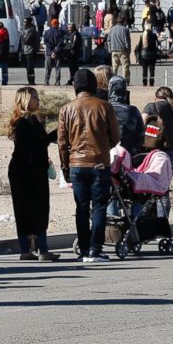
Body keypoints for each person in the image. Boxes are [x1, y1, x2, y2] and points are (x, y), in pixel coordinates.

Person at [57, 69, 119, 263]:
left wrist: (65, 166)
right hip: (99, 162)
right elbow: (116, 138)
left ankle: (84, 250)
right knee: (99, 207)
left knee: (81, 208)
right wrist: (102, 147)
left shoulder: (66, 109)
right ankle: (95, 249)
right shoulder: (104, 107)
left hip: (76, 163)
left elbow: (61, 142)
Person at [7, 87, 59, 261]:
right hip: (28, 170)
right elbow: (34, 145)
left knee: (26, 209)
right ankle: (40, 249)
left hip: (27, 168)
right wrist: (55, 134)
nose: (38, 100)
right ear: (25, 100)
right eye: (34, 97)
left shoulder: (28, 119)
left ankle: (29, 249)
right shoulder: (25, 120)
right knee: (37, 208)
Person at [142, 87, 173, 177]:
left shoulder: (150, 107)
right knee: (164, 187)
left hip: (152, 155)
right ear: (172, 98)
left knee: (150, 187)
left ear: (156, 97)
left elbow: (139, 128)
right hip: (172, 157)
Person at [108, 76, 144, 156]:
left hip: (106, 157)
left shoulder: (102, 108)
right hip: (128, 156)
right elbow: (141, 137)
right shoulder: (133, 110)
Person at [107, 16, 131, 83]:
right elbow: (127, 41)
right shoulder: (125, 29)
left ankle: (113, 80)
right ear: (123, 22)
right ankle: (125, 80)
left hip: (114, 50)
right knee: (125, 66)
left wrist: (110, 49)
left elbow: (108, 40)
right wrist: (128, 50)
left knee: (114, 66)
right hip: (123, 50)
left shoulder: (112, 29)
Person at [43, 19, 64, 86]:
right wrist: (55, 51)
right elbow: (61, 43)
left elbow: (46, 42)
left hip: (49, 53)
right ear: (57, 24)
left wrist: (51, 52)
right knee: (57, 68)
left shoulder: (46, 32)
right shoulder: (60, 32)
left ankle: (46, 81)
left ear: (51, 24)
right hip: (58, 53)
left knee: (48, 68)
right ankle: (57, 82)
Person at [137, 22, 158, 87]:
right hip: (152, 54)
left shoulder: (142, 35)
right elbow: (156, 45)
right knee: (152, 70)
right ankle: (151, 83)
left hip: (144, 54)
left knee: (144, 70)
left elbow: (139, 46)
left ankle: (144, 83)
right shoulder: (154, 36)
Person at [20, 16, 39, 85]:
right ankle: (30, 81)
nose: (24, 23)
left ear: (29, 22)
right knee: (27, 68)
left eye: (25, 22)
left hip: (30, 51)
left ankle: (31, 81)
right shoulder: (27, 30)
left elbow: (26, 41)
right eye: (23, 22)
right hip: (26, 50)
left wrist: (22, 37)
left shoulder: (31, 30)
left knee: (30, 67)